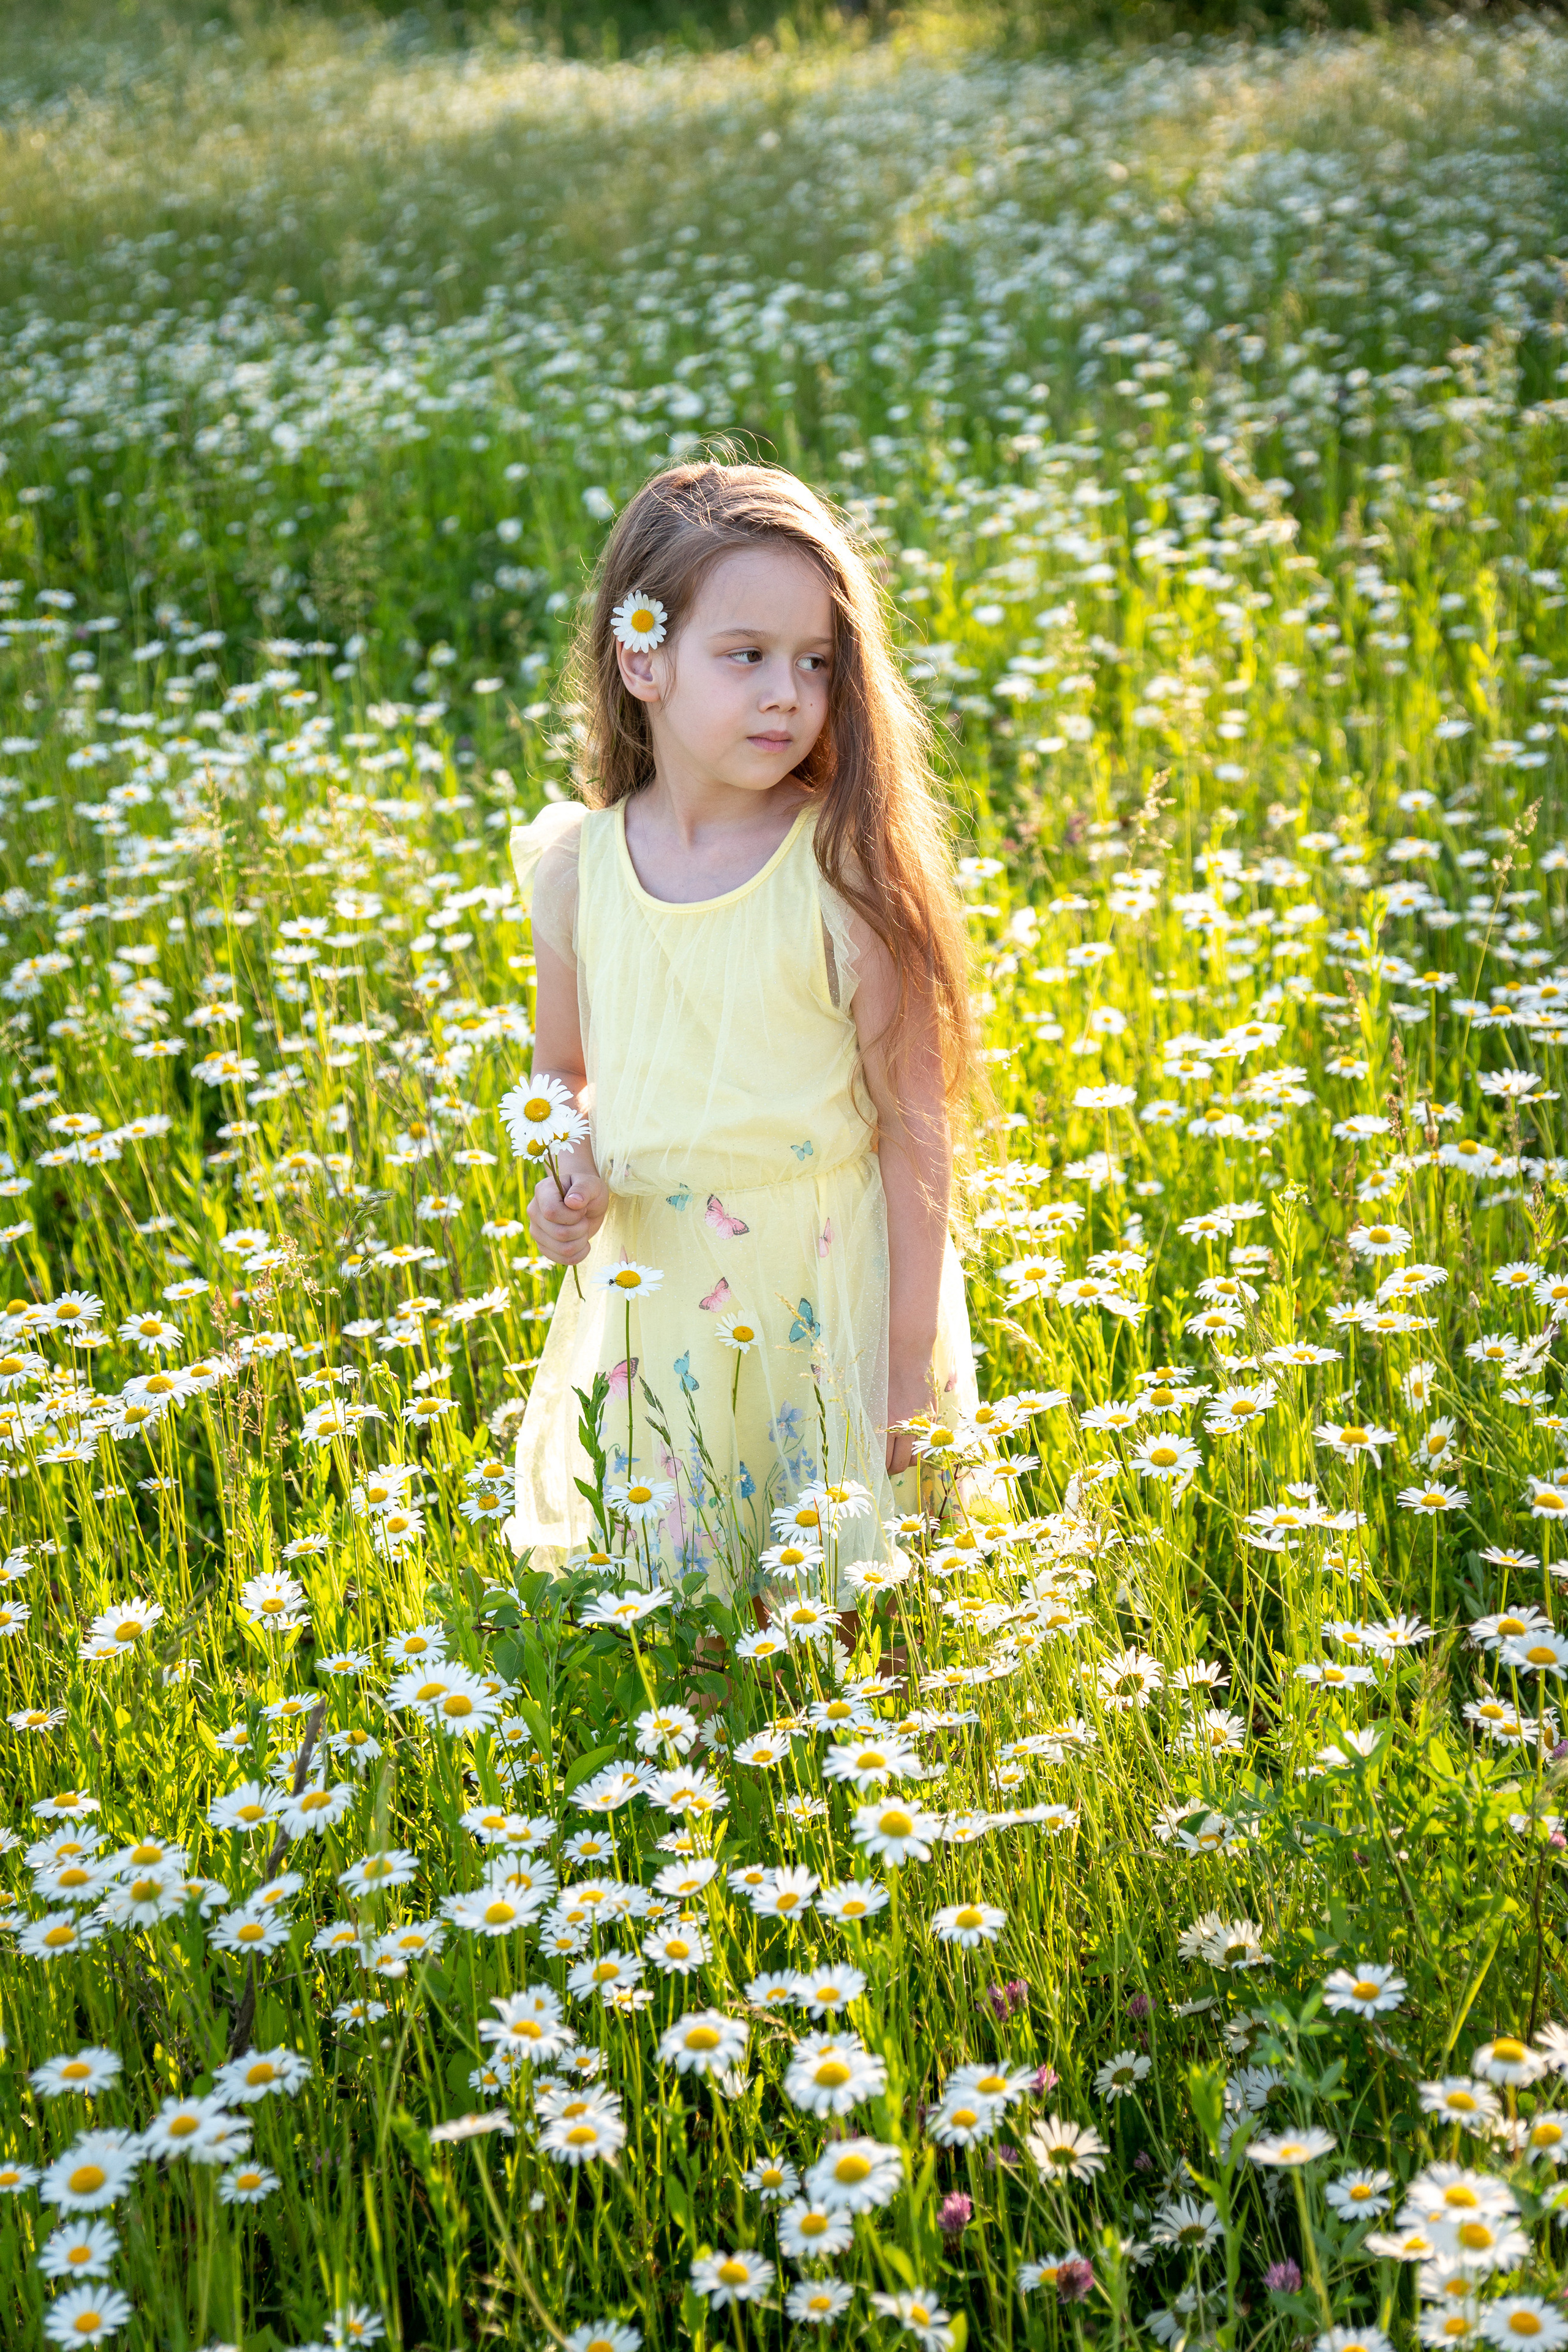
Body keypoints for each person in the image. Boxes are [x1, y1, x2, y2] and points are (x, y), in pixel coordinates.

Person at [503, 460, 982, 1600]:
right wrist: (565, 1162)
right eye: (747, 657)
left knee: (852, 1614)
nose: (788, 694)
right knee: (692, 1621)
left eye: (816, 664)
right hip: (661, 1298)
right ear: (642, 658)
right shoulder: (582, 871)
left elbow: (915, 1125)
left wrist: (903, 1369)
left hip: (833, 1293)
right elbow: (565, 1071)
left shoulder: (839, 867)